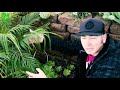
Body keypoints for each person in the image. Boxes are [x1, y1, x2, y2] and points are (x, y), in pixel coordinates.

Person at [26, 18, 120, 78]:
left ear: (104, 38)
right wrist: (43, 39)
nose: (87, 43)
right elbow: (69, 46)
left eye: (93, 38)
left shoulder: (111, 64)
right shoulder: (94, 47)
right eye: (84, 37)